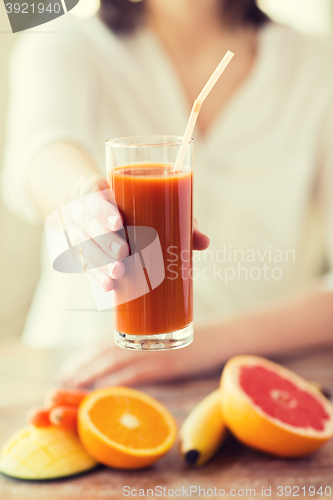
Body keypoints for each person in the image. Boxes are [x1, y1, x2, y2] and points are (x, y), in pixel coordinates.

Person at [2, 0, 333, 389]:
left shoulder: (317, 65)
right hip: (82, 368)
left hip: (241, 384)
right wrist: (83, 202)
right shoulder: (66, 41)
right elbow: (41, 151)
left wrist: (206, 344)